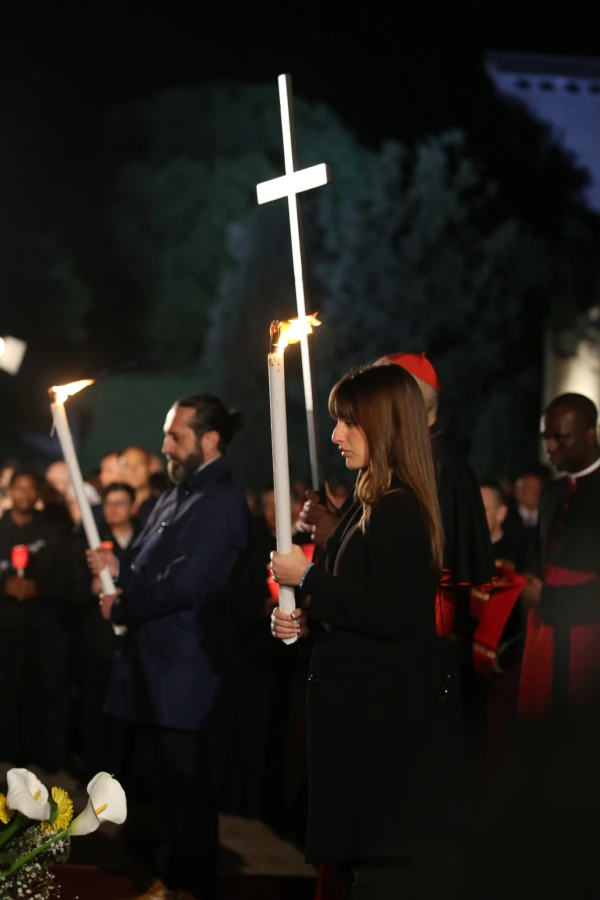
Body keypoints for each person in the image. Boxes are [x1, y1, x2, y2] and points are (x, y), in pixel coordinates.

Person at [272, 364, 463, 900]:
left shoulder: (400, 508)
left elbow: (391, 616)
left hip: (382, 728)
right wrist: (306, 622)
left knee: (382, 876)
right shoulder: (368, 501)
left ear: (383, 424)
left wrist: (307, 577)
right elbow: (359, 607)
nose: (335, 435)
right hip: (360, 717)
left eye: (348, 423)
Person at [87, 394, 248, 900]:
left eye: (175, 436)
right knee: (160, 782)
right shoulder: (179, 493)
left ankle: (190, 885)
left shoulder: (220, 498)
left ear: (209, 439)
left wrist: (125, 608)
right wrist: (117, 570)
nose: (165, 446)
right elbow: (147, 563)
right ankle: (168, 873)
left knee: (186, 787)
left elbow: (189, 583)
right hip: (154, 666)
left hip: (185, 670)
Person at [519, 393, 600, 720]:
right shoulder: (552, 492)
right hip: (544, 631)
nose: (550, 447)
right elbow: (538, 554)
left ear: (589, 434)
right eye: (545, 438)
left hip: (588, 638)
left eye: (560, 438)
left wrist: (547, 596)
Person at [0, 471, 69, 771]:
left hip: (44, 629)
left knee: (45, 693)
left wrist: (37, 587)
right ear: (10, 491)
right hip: (5, 628)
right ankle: (9, 754)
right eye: (19, 488)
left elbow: (67, 581)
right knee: (7, 693)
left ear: (38, 494)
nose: (25, 494)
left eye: (31, 488)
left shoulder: (53, 533)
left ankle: (48, 758)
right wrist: (5, 585)